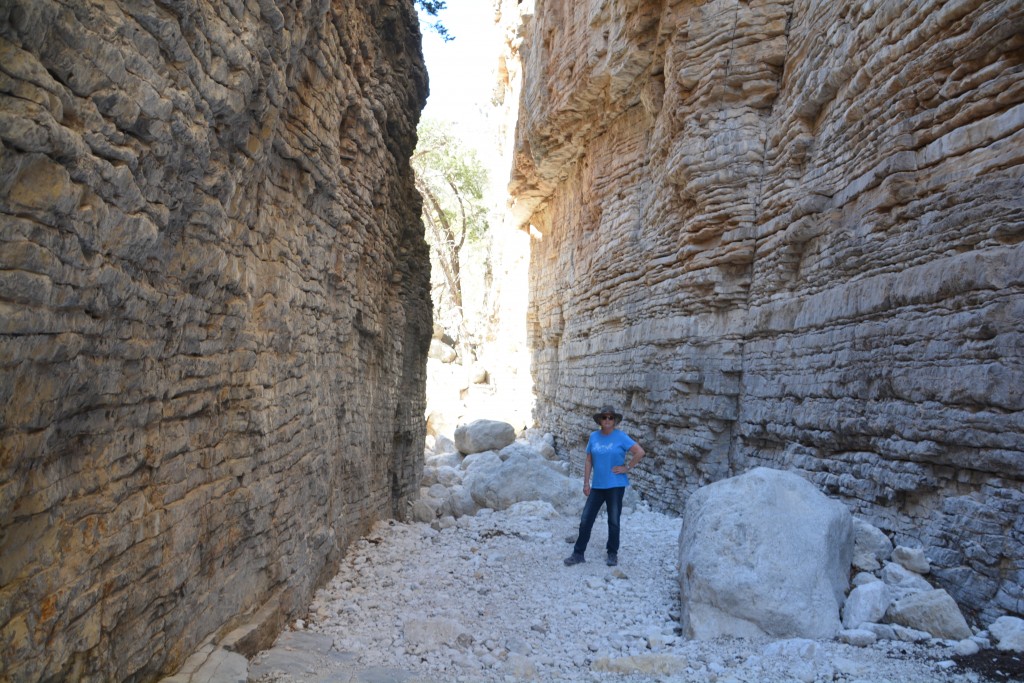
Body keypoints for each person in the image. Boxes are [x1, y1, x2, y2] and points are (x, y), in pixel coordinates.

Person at [564, 405, 645, 567]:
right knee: (586, 519)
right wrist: (586, 482)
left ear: (614, 421)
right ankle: (578, 553)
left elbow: (640, 452)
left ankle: (612, 553)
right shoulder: (594, 437)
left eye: (610, 418)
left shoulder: (621, 436)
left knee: (613, 521)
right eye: (604, 417)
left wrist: (626, 468)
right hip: (598, 486)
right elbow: (588, 460)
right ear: (600, 420)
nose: (607, 420)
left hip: (616, 485)